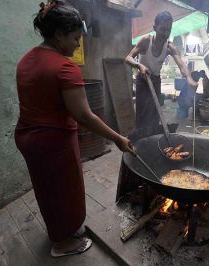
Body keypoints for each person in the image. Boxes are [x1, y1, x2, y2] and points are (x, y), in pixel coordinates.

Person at [15, 0, 134, 258]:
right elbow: (83, 115)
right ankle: (62, 243)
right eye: (75, 38)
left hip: (28, 137)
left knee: (48, 190)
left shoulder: (27, 58)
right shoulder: (65, 67)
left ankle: (63, 231)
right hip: (51, 141)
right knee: (63, 191)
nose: (78, 44)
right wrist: (117, 138)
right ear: (58, 35)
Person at [125, 11, 198, 129]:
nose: (165, 34)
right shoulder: (146, 41)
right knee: (142, 112)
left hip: (156, 80)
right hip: (143, 80)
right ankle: (141, 139)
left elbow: (182, 65)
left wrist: (189, 79)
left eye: (168, 30)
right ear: (155, 28)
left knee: (155, 111)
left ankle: (153, 139)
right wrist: (140, 66)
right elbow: (128, 58)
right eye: (163, 29)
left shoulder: (170, 47)